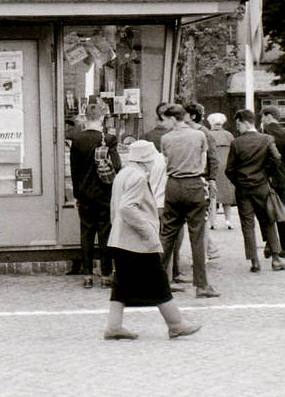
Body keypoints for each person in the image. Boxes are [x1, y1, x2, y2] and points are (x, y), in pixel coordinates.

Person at [102, 140, 201, 341]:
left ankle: (114, 327)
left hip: (120, 239)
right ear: (146, 159)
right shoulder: (138, 177)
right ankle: (176, 324)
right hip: (136, 242)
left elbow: (116, 207)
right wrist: (148, 232)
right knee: (159, 280)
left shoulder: (123, 174)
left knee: (121, 284)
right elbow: (127, 208)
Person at [159, 104, 219, 298]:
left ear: (173, 119)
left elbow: (165, 162)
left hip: (174, 186)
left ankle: (157, 282)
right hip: (194, 185)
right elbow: (203, 162)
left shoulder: (165, 139)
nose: (163, 123)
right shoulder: (199, 136)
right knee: (197, 236)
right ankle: (202, 285)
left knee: (167, 234)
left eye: (165, 119)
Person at [226, 109, 285, 273]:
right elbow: (277, 158)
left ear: (244, 122)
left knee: (247, 224)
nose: (237, 128)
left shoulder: (236, 143)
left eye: (238, 124)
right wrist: (266, 174)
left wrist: (239, 181)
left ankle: (254, 261)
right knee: (268, 221)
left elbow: (229, 169)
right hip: (262, 187)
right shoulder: (267, 139)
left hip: (243, 189)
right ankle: (275, 259)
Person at [69, 103, 120, 289]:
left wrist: (76, 195)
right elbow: (117, 166)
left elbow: (74, 171)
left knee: (86, 233)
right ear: (102, 117)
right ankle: (106, 274)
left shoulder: (77, 139)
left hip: (84, 194)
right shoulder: (109, 138)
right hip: (105, 193)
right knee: (106, 233)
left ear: (86, 117)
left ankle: (87, 275)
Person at [142, 101, 184, 283]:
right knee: (173, 235)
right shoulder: (175, 137)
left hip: (157, 196)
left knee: (161, 236)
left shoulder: (148, 136)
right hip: (172, 193)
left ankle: (163, 273)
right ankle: (171, 272)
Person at [184, 101, 220, 262]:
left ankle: (205, 253)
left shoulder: (204, 133)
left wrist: (211, 179)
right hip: (191, 178)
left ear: (192, 116)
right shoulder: (185, 132)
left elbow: (213, 158)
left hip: (202, 179)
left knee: (201, 219)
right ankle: (211, 249)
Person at [260, 106, 285, 258]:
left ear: (268, 117)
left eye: (262, 118)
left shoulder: (265, 134)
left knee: (266, 213)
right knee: (280, 212)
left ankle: (271, 245)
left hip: (267, 177)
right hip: (282, 177)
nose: (262, 121)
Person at [206, 113, 236, 231]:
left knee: (212, 195)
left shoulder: (207, 135)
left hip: (212, 167)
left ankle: (213, 222)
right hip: (226, 168)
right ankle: (228, 221)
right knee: (226, 195)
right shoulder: (229, 135)